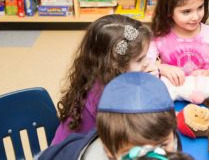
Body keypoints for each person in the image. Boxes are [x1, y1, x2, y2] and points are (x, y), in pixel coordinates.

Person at [51, 15, 157, 145]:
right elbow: (129, 137)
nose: (147, 63)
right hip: (73, 153)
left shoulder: (104, 74)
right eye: (140, 59)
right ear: (116, 63)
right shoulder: (106, 95)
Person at [39, 72, 192, 160]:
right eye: (133, 152)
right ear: (109, 153)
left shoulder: (168, 138)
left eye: (163, 145)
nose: (153, 155)